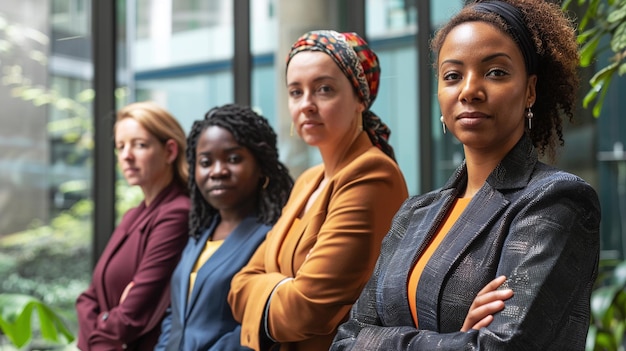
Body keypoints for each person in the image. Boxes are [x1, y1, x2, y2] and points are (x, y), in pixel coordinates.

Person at [331, 0, 601, 350]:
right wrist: (456, 339)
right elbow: (344, 341)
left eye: (496, 72)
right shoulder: (414, 214)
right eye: (452, 75)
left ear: (530, 90)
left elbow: (500, 346)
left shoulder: (555, 201)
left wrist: (386, 340)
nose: (469, 90)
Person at [227, 30, 409, 351]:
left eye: (324, 89)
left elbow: (307, 310)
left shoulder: (371, 173)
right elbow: (238, 286)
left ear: (359, 99)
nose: (307, 104)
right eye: (296, 92)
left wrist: (269, 282)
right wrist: (285, 286)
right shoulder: (308, 181)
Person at [154, 104, 293, 351]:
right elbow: (175, 313)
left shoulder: (274, 235)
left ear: (261, 166)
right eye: (206, 162)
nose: (217, 171)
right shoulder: (200, 233)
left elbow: (261, 321)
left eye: (233, 159)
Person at [76, 101, 190, 351]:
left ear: (170, 151)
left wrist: (98, 333)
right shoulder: (133, 215)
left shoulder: (177, 213)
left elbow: (132, 315)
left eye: (139, 145)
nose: (126, 155)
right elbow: (87, 299)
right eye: (120, 146)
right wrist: (104, 328)